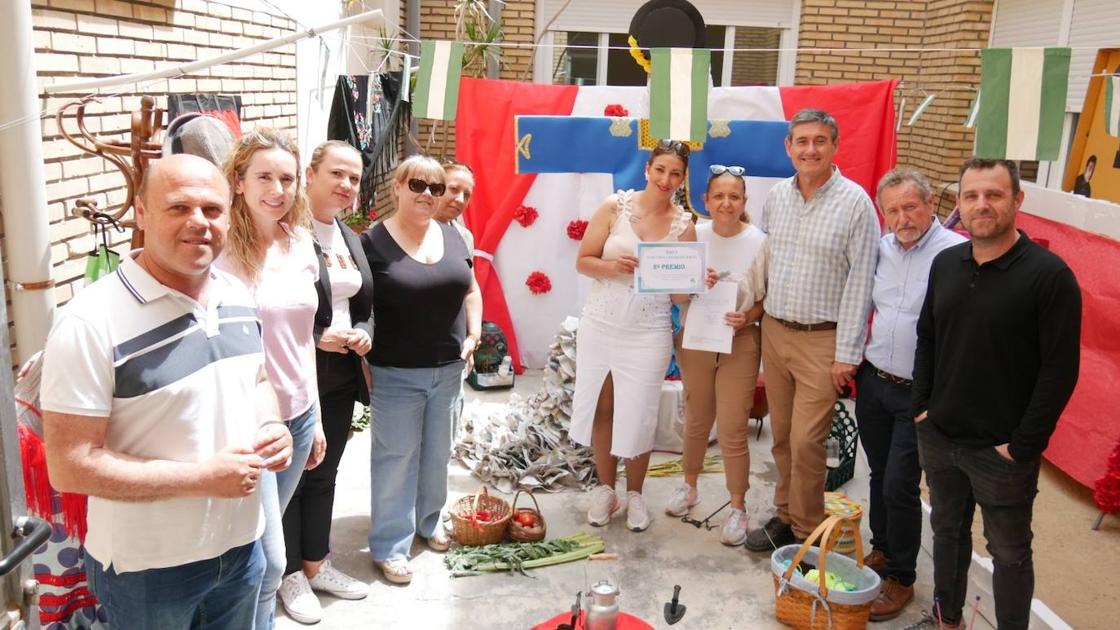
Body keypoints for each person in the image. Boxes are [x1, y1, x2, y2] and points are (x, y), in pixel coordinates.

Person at [40, 154, 293, 629]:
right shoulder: (91, 321)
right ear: (141, 213)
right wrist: (200, 479)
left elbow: (257, 381)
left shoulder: (236, 293)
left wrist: (271, 423)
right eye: (179, 207)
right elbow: (69, 465)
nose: (199, 222)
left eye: (212, 210)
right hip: (148, 571)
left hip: (240, 552)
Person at [912, 158, 1081, 630]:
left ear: (1017, 200)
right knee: (946, 532)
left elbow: (1060, 370)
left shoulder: (1049, 277)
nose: (981, 205)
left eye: (994, 195)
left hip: (1002, 452)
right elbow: (928, 337)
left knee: (1008, 553)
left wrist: (1023, 445)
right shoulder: (946, 264)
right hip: (941, 436)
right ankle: (948, 620)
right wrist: (921, 408)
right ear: (959, 204)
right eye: (971, 196)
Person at [745, 108, 879, 552]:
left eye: (819, 141)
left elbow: (861, 281)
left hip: (824, 341)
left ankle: (805, 533)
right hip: (777, 332)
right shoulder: (777, 199)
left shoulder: (856, 204)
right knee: (782, 436)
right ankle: (785, 514)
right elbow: (761, 262)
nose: (810, 149)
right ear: (788, 147)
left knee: (807, 441)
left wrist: (847, 353)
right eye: (801, 141)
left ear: (835, 146)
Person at [216, 129, 326, 630]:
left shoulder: (300, 242)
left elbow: (304, 339)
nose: (277, 189)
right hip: (248, 423)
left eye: (286, 177)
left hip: (298, 417)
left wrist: (316, 418)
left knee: (260, 549)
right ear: (238, 181)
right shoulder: (215, 249)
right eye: (264, 176)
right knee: (270, 561)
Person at [571, 139, 704, 532]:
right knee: (604, 407)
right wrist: (613, 268)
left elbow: (680, 295)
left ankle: (636, 494)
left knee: (639, 413)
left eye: (675, 173)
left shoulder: (685, 226)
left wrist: (697, 282)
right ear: (647, 169)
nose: (666, 179)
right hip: (602, 322)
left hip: (649, 329)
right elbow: (583, 261)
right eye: (660, 169)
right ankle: (606, 489)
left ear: (682, 179)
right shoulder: (615, 207)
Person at [361, 155, 483, 584]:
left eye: (436, 187)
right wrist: (361, 356)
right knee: (396, 458)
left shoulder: (454, 236)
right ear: (396, 186)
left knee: (437, 455)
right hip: (396, 371)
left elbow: (471, 289)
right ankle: (391, 546)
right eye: (418, 185)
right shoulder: (371, 243)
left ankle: (428, 523)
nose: (428, 194)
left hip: (448, 369)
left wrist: (474, 335)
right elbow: (361, 309)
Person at [854, 167, 966, 621]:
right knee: (879, 474)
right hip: (875, 379)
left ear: (931, 205)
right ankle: (882, 549)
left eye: (910, 207)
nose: (902, 218)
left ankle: (901, 575)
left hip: (921, 394)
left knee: (902, 482)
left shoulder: (957, 254)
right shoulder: (880, 251)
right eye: (893, 210)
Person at [277, 141, 373, 624]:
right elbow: (275, 311)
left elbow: (364, 307)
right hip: (296, 374)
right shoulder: (286, 235)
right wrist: (318, 337)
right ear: (310, 174)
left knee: (324, 471)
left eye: (354, 178)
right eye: (337, 174)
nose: (346, 185)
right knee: (292, 479)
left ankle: (316, 562)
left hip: (340, 376)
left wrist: (363, 334)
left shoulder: (348, 236)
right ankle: (289, 573)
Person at [667, 164, 768, 546]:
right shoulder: (694, 235)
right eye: (719, 196)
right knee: (696, 419)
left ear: (744, 202)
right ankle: (688, 486)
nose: (726, 203)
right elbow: (675, 296)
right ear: (706, 200)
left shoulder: (759, 241)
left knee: (731, 427)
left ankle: (738, 507)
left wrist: (748, 317)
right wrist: (693, 283)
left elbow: (764, 301)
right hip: (696, 338)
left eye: (735, 196)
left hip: (739, 342)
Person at [434, 160, 476, 253]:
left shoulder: (465, 237)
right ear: (435, 188)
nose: (460, 200)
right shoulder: (407, 230)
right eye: (454, 189)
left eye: (466, 195)